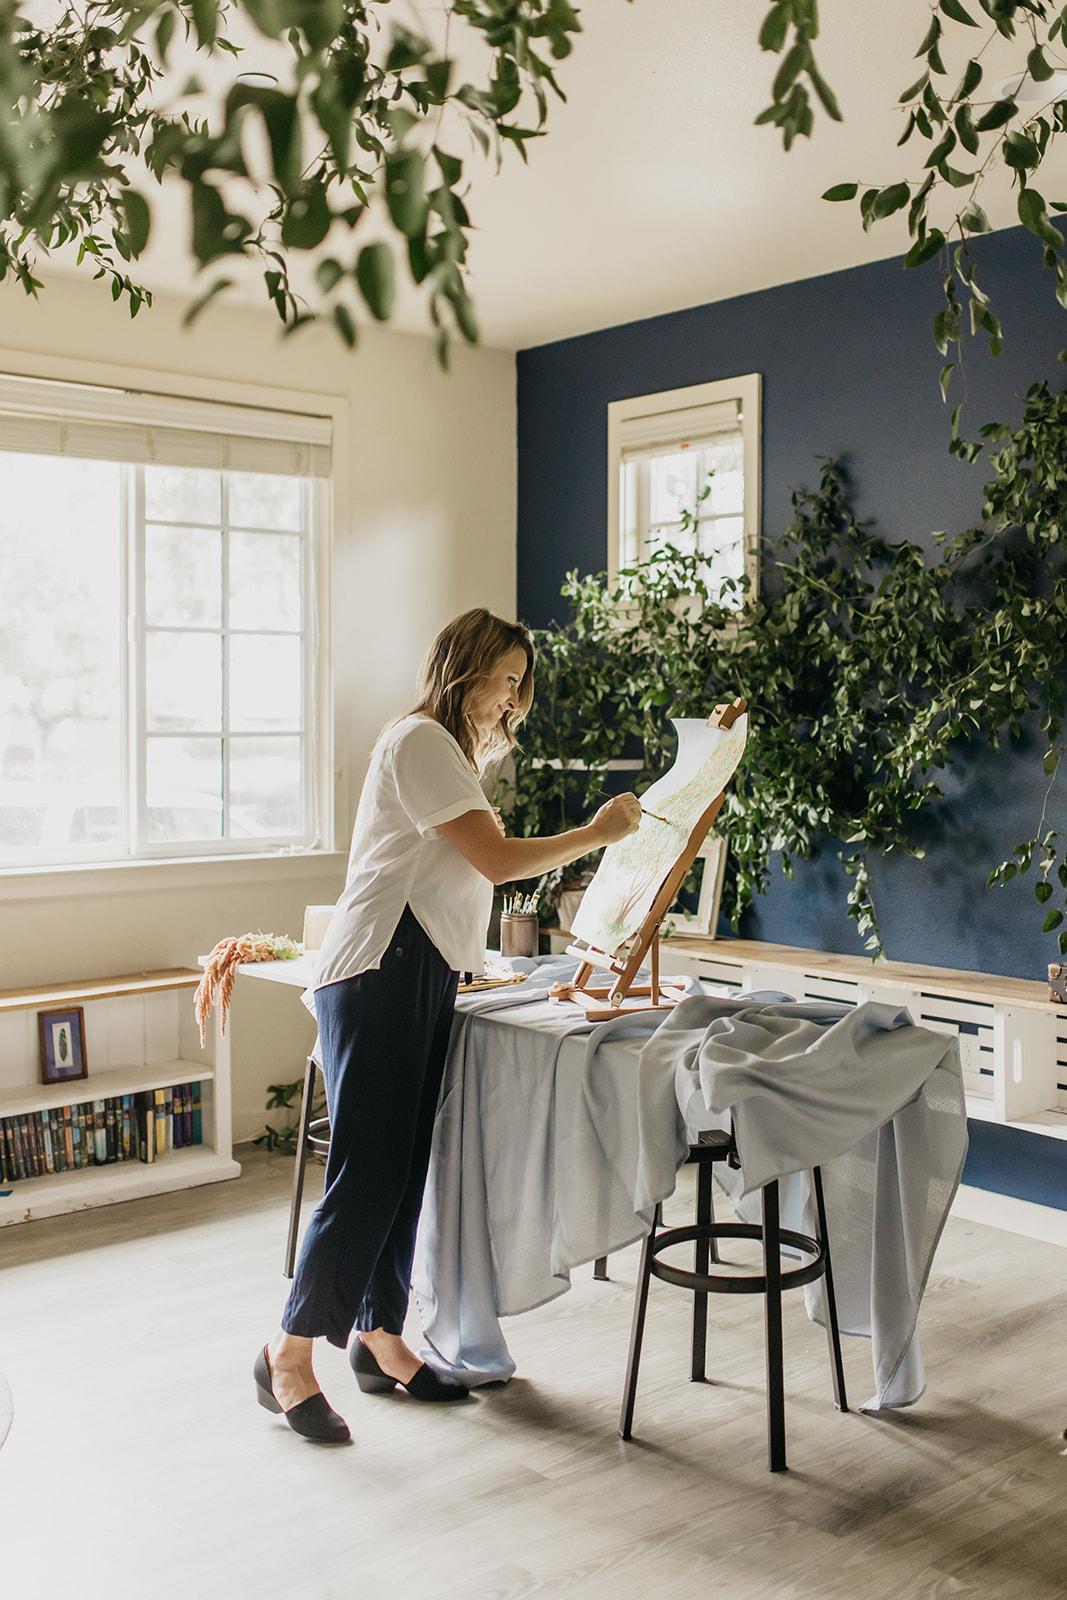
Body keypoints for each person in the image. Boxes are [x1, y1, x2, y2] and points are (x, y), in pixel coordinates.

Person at [253, 608, 641, 1442]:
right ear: (463, 666)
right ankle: (284, 1355)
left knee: (399, 1172)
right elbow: (495, 865)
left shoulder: (450, 752)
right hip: (378, 969)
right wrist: (598, 835)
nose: (511, 697)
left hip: (418, 970)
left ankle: (380, 1335)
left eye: (517, 684)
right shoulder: (421, 741)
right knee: (366, 1173)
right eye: (504, 678)